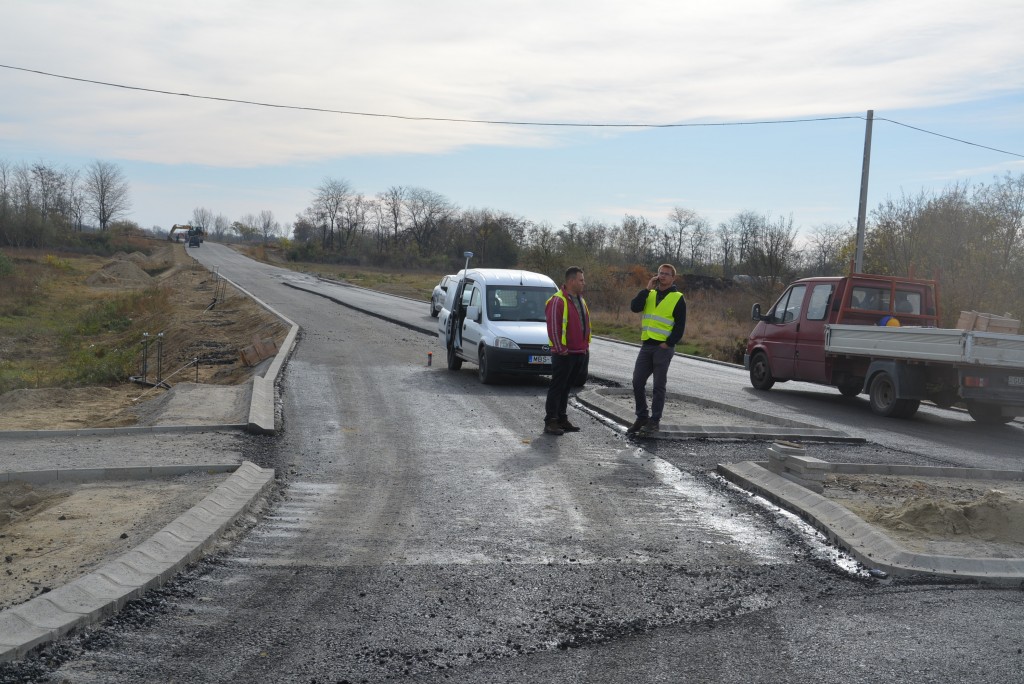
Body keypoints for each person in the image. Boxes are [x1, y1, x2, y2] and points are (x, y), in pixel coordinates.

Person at [627, 264, 687, 435]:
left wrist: (668, 343)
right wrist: (646, 289)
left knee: (659, 386)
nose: (662, 276)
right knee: (637, 381)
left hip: (663, 348)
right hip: (647, 345)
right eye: (660, 273)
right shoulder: (650, 294)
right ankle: (642, 416)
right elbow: (635, 307)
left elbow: (680, 326)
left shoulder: (677, 297)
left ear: (673, 278)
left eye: (667, 274)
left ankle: (654, 421)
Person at [543, 266, 591, 436]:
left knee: (566, 388)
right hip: (564, 354)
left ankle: (562, 418)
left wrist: (585, 347)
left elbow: (584, 324)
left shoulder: (580, 299)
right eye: (581, 280)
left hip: (578, 352)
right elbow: (554, 327)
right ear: (571, 281)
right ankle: (551, 421)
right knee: (557, 387)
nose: (583, 283)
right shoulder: (558, 300)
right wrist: (560, 348)